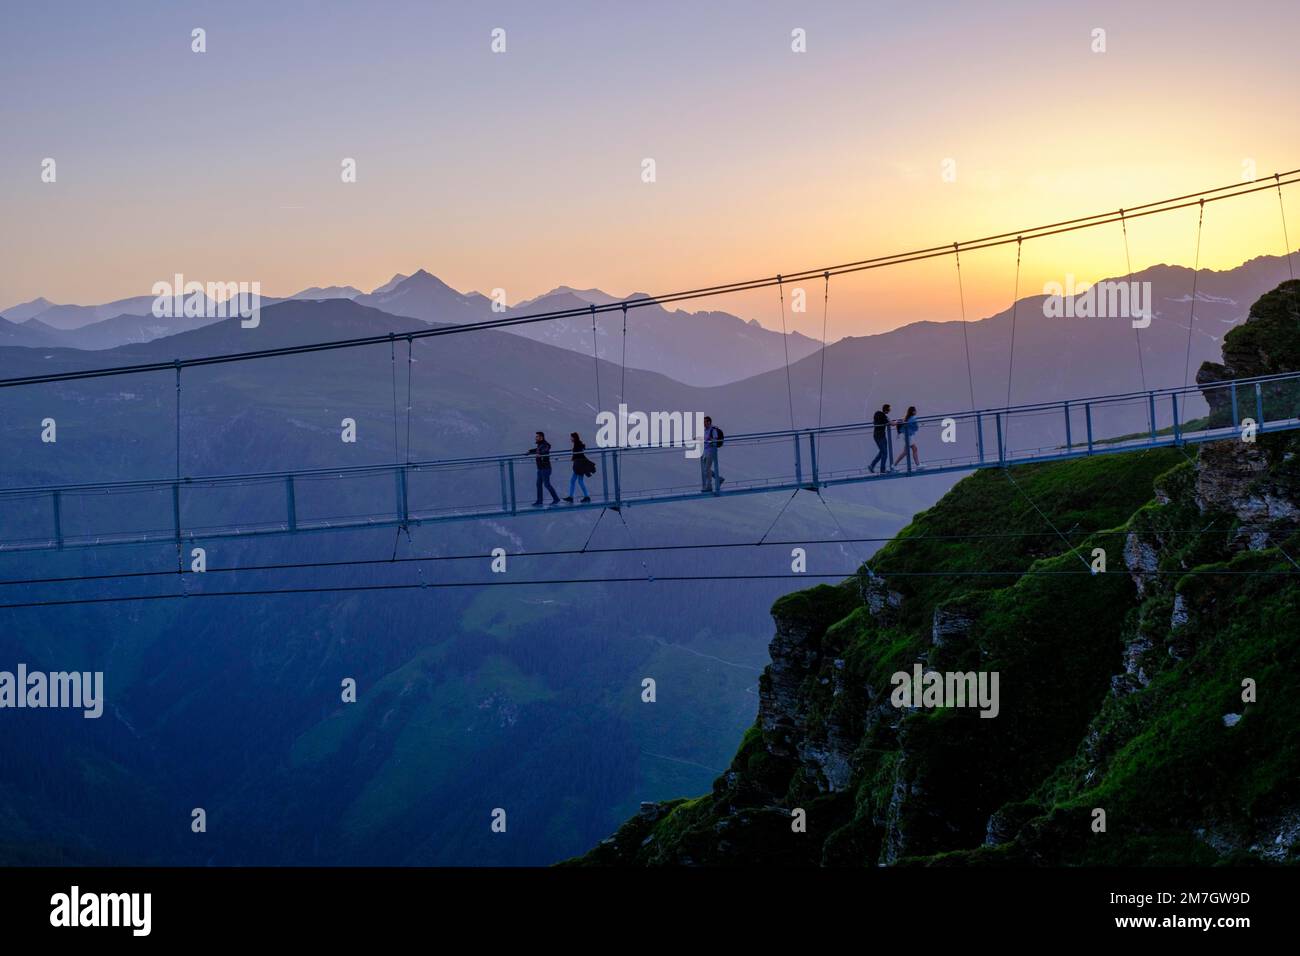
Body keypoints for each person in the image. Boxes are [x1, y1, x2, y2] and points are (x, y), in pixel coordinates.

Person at [526, 431, 560, 506]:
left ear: (541, 437)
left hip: (545, 468)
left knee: (547, 484)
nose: (535, 438)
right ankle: (539, 501)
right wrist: (530, 451)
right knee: (538, 484)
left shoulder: (545, 444)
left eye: (537, 437)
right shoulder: (540, 445)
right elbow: (537, 450)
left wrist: (540, 454)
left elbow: (545, 450)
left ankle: (556, 499)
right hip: (540, 468)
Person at [563, 432, 594, 503]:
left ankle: (586, 496)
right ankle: (573, 497)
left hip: (579, 465)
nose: (570, 439)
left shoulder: (577, 444)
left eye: (571, 437)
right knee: (574, 480)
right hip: (579, 465)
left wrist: (574, 456)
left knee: (578, 481)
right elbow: (579, 452)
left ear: (574, 438)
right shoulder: (577, 444)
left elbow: (579, 453)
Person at [700, 415, 725, 494]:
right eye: (703, 422)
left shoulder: (713, 430)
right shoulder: (705, 430)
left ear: (709, 422)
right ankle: (719, 479)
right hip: (706, 451)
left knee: (707, 468)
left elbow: (715, 439)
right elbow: (704, 438)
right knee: (705, 469)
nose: (704, 423)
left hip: (711, 451)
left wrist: (709, 440)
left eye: (705, 422)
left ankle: (709, 486)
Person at [869, 403, 892, 473]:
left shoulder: (878, 414)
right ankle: (882, 469)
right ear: (887, 410)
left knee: (882, 452)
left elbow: (874, 422)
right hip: (881, 436)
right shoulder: (883, 416)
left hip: (877, 435)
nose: (890, 411)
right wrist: (897, 422)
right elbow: (891, 423)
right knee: (884, 453)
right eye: (889, 409)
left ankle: (872, 465)